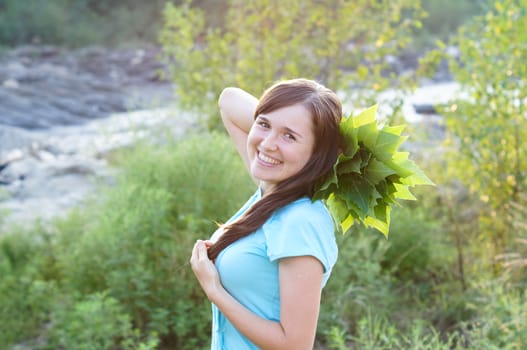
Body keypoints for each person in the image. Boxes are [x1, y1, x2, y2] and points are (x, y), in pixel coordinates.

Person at [190, 78, 343, 349]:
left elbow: (295, 345)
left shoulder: (301, 221)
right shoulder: (271, 191)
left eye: (290, 136)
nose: (268, 145)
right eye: (264, 124)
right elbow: (228, 99)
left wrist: (215, 291)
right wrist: (282, 124)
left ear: (317, 154)